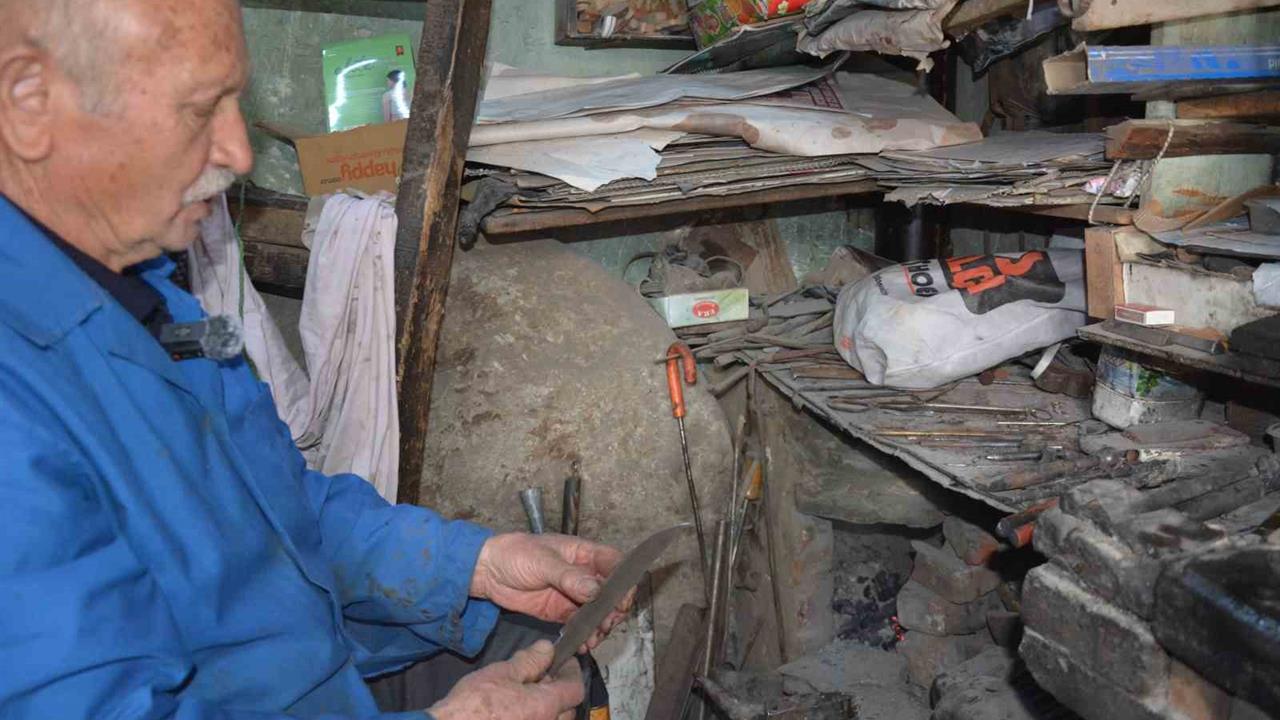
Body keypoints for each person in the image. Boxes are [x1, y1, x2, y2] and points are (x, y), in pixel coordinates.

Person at [0, 2, 630, 718]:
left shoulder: (143, 292)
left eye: (236, 103)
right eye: (199, 109)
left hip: (304, 665)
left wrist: (473, 566)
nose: (238, 153)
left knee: (556, 657)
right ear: (30, 104)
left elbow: (281, 507)